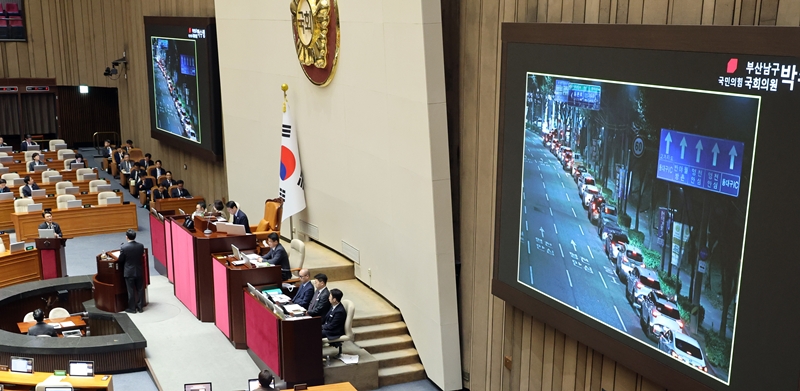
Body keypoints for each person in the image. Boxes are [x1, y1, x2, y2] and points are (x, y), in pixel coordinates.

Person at [118, 229, 145, 313]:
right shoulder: (141, 246)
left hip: (129, 272)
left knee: (131, 291)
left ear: (127, 237)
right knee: (140, 289)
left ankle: (132, 308)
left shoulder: (124, 247)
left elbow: (121, 260)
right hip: (139, 270)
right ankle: (140, 307)